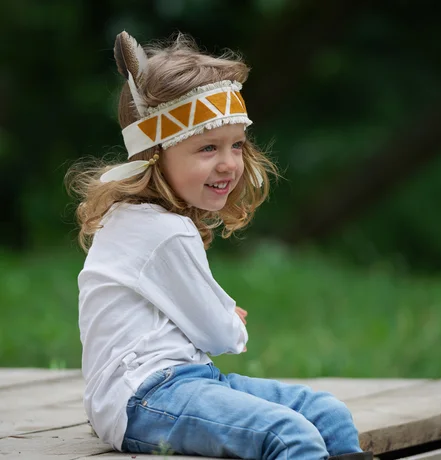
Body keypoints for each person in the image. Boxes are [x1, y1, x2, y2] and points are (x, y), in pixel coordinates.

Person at [66, 31, 373, 460]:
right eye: (207, 147)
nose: (229, 163)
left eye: (236, 145)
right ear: (154, 154)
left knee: (326, 413)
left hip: (187, 381)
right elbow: (216, 330)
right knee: (288, 433)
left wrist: (218, 312)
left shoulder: (146, 221)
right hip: (145, 398)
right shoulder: (162, 231)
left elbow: (190, 310)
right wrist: (230, 319)